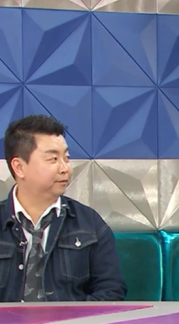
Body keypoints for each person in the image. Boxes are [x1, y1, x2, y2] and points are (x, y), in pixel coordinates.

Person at [0, 114, 126, 302]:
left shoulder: (89, 223)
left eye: (66, 158)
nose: (65, 168)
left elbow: (111, 291)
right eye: (53, 159)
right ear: (19, 167)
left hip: (73, 321)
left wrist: (72, 317)